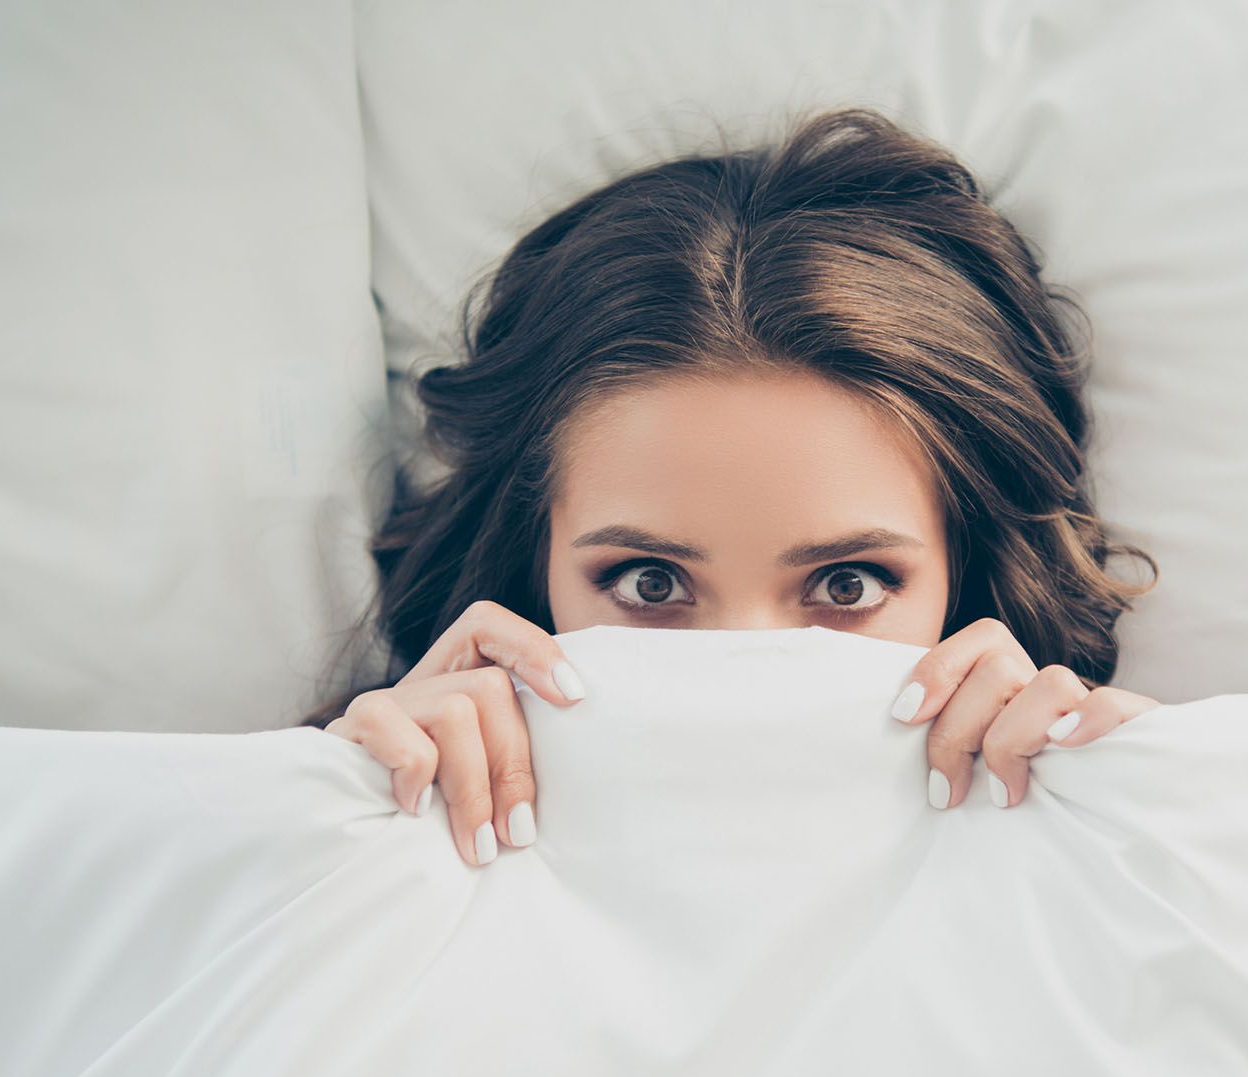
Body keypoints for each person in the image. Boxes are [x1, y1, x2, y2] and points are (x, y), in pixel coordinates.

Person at [302, 106, 1162, 868]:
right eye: (651, 582)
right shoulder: (356, 820)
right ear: (532, 571)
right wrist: (330, 824)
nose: (740, 676)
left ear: (965, 580)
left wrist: (1139, 821)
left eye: (846, 585)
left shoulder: (1110, 832)